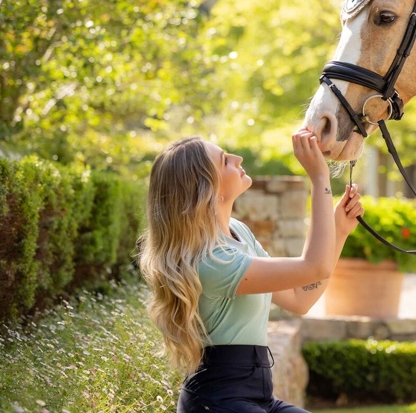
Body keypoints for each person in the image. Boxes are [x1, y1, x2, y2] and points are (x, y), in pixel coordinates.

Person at [138, 129, 363, 413]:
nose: (237, 157)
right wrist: (320, 179)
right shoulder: (212, 261)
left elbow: (299, 298)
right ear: (207, 189)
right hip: (218, 401)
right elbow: (313, 266)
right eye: (224, 161)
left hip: (259, 396)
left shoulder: (239, 234)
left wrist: (339, 231)